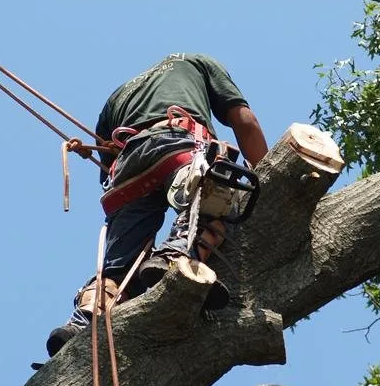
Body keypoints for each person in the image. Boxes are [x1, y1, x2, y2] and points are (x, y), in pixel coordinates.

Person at [46, 53, 268, 357]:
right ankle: (176, 255)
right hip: (179, 143)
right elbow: (245, 120)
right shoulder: (198, 62)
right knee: (215, 203)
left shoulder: (116, 98)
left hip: (128, 170)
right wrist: (268, 178)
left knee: (117, 271)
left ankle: (84, 319)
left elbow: (108, 169)